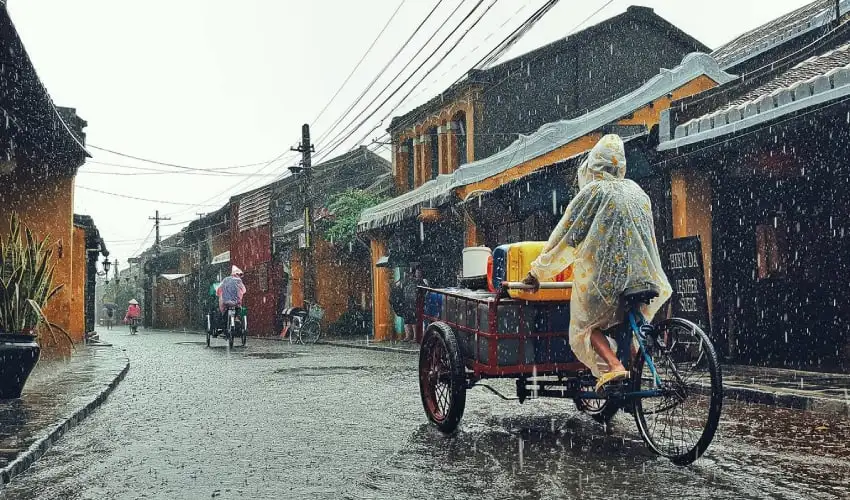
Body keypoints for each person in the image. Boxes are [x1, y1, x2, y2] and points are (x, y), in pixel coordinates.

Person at [522, 134, 672, 392]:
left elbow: (565, 236)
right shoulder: (638, 191)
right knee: (629, 321)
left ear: (594, 164)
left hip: (606, 280)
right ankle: (633, 370)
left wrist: (538, 272)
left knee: (587, 326)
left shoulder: (594, 192)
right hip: (644, 274)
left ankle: (614, 366)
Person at [401, 265, 428, 342]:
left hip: (416, 303)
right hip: (408, 302)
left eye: (419, 272)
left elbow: (424, 290)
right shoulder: (410, 281)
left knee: (413, 320)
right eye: (417, 272)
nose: (418, 274)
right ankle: (408, 336)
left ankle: (415, 337)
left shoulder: (423, 281)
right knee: (407, 319)